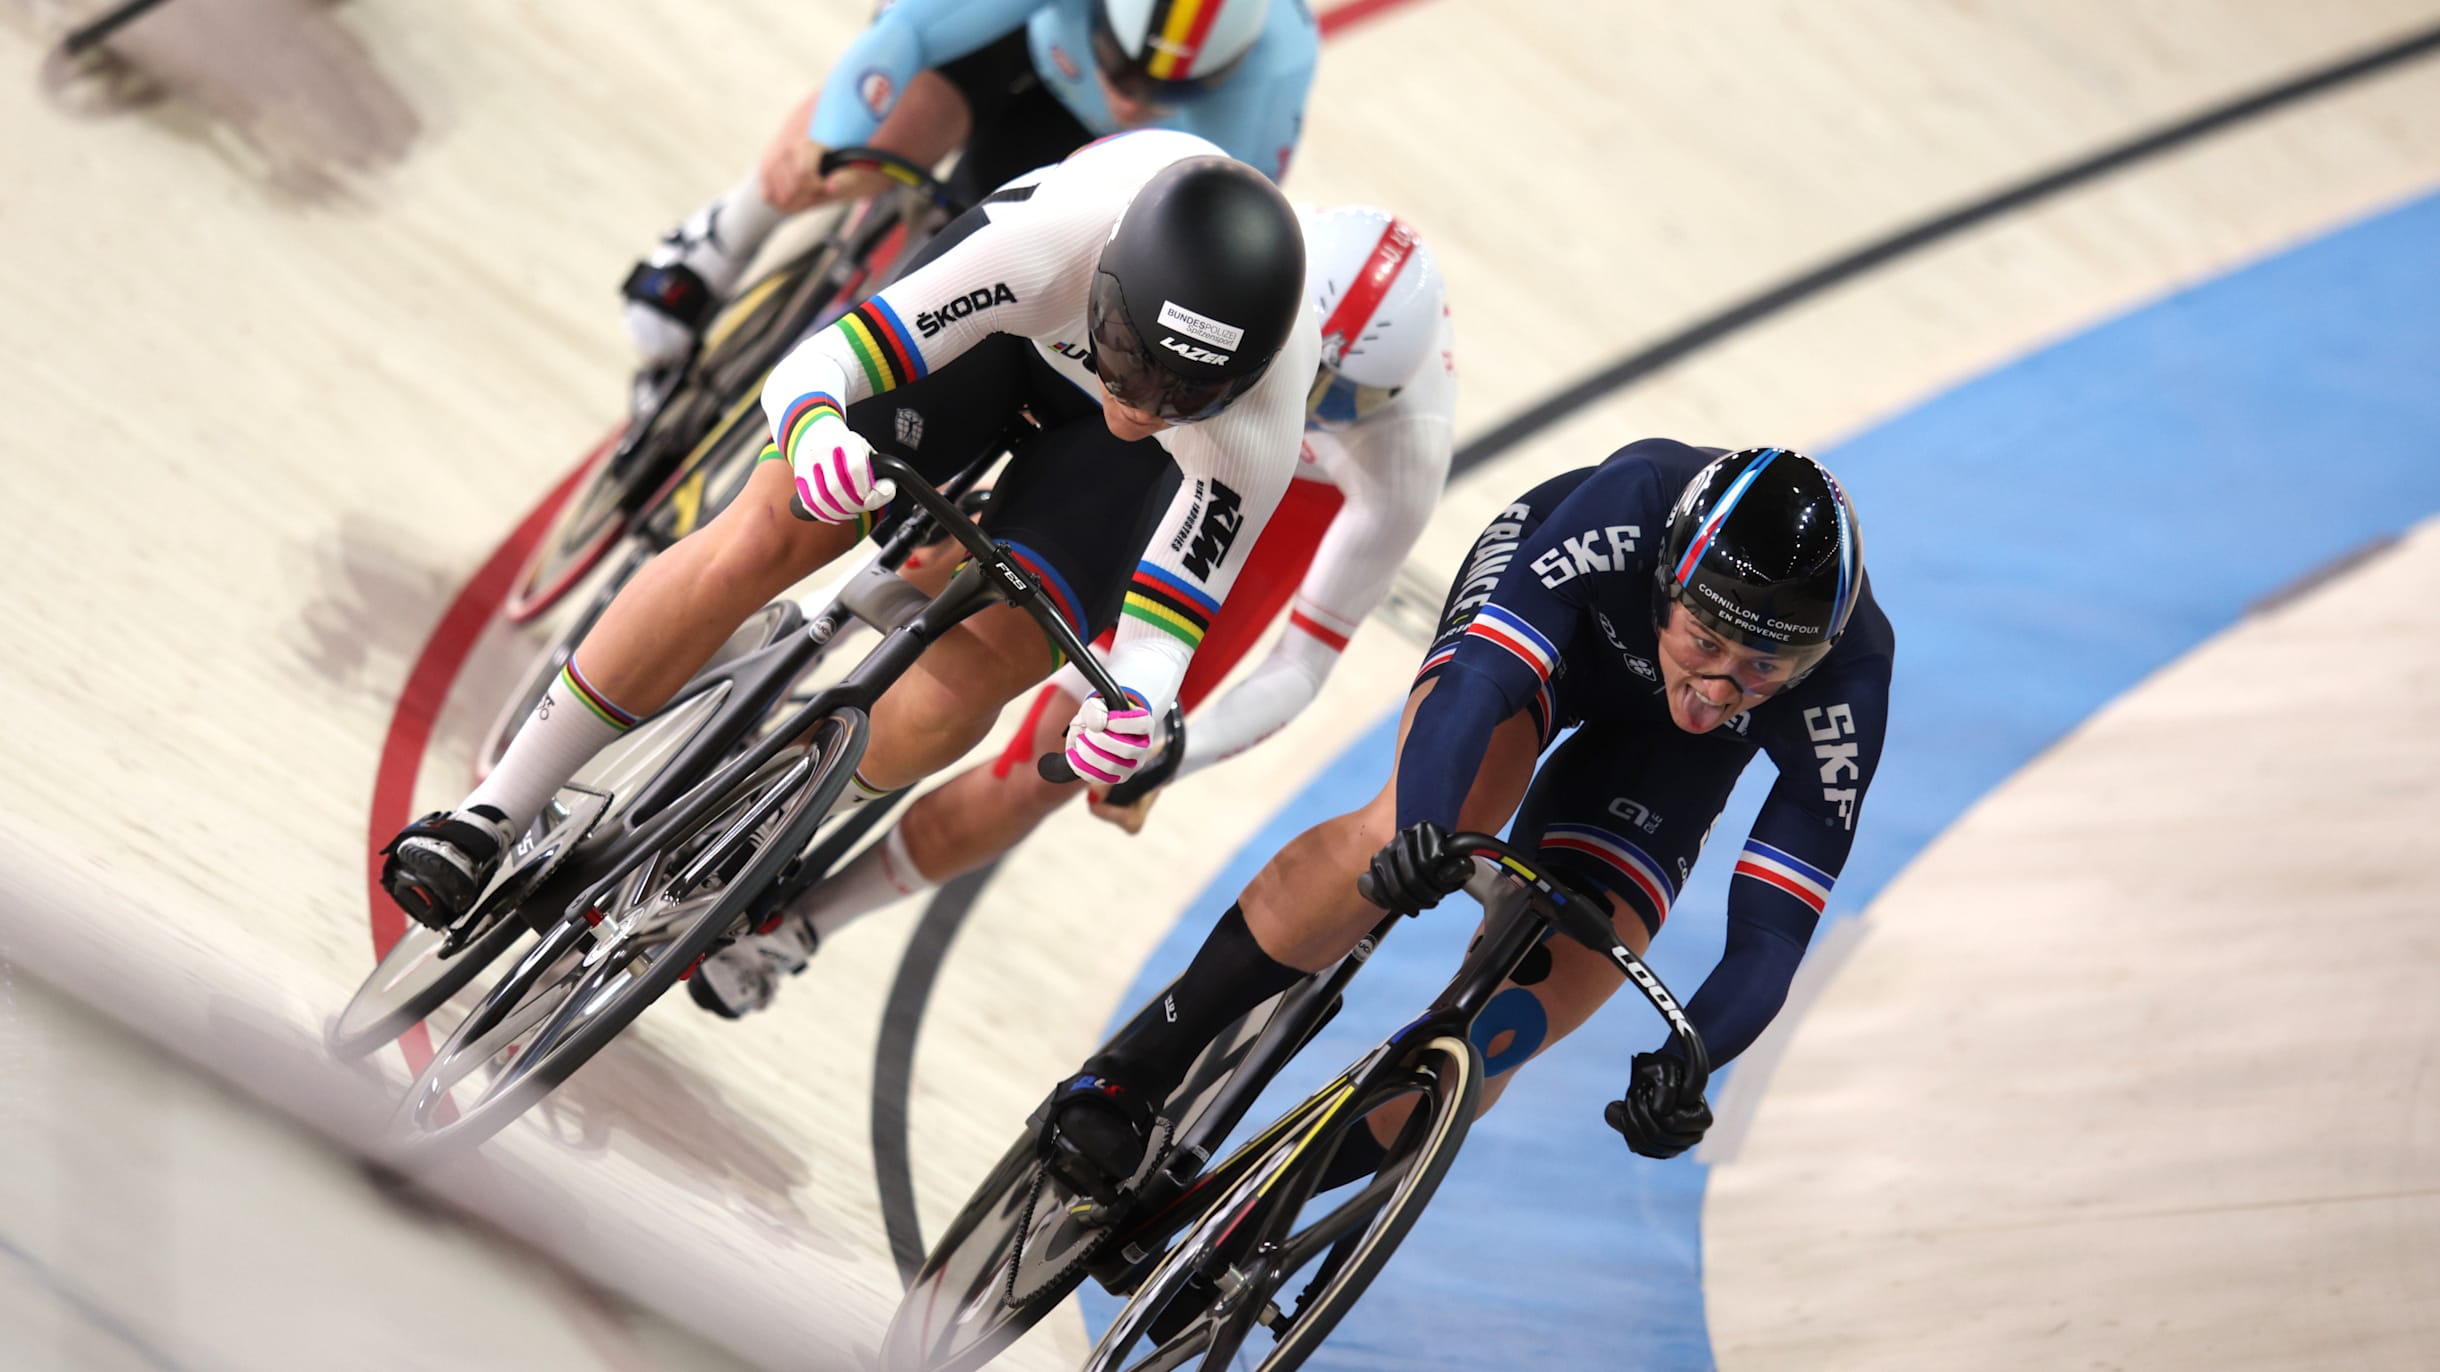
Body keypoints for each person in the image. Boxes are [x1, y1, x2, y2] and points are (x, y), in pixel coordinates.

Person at [381, 130, 1318, 932]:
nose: (1142, 406)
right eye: (1128, 362)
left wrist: (1141, 704)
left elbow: (1169, 624)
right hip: (998, 339)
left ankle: (761, 832)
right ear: (1106, 290)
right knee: (771, 533)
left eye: (1183, 394)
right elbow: (817, 366)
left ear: (1243, 381)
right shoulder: (1047, 245)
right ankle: (489, 813)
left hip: (1108, 467)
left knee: (979, 673)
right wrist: (818, 429)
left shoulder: (1263, 411)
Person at [1035, 440, 1893, 1200]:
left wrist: (1693, 1057)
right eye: (1705, 642)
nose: (1717, 690)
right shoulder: (1627, 506)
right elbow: (1482, 683)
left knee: (1532, 1003)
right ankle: (1134, 1070)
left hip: (1667, 763)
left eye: (1761, 669)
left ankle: (1260, 1217)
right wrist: (1421, 827)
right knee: (1417, 824)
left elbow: (1772, 937)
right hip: (1558, 636)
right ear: (1669, 584)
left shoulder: (1848, 678)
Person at [690, 206, 1458, 1018]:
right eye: (1308, 371)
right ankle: (799, 650)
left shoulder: (1408, 449)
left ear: (1389, 396)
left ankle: (805, 926)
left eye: (1336, 397)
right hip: (1186, 417)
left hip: (1278, 497)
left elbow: (1303, 660)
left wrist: (1177, 749)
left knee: (1050, 770)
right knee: (956, 545)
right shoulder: (1246, 292)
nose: (1309, 397)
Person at [624, 0, 1317, 368]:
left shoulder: (1278, 66)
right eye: (1122, 68)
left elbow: (1205, 238)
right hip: (1014, 28)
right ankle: (724, 233)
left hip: (1099, 144)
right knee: (867, 146)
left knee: (1008, 262)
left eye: (1168, 88)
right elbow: (910, 34)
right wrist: (829, 138)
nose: (1133, 98)